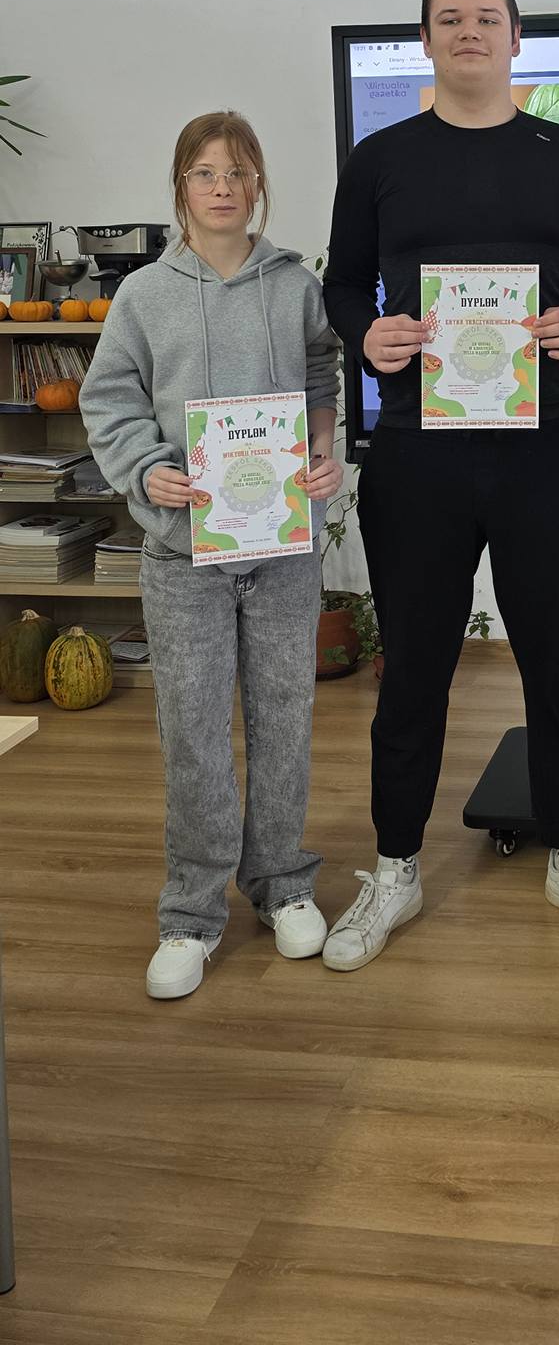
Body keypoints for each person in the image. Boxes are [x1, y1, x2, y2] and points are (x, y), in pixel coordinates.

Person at [321, 0, 559, 966]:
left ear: (515, 39)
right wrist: (367, 334)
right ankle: (396, 868)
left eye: (486, 17)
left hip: (546, 444)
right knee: (413, 670)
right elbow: (342, 287)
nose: (469, 31)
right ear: (425, 41)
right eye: (449, 18)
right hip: (417, 450)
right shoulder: (380, 159)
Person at [79, 112, 342, 998]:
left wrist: (323, 448)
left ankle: (283, 884)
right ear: (181, 186)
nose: (222, 187)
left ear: (258, 183)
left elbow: (320, 375)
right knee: (191, 733)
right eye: (204, 172)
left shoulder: (294, 284)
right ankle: (190, 915)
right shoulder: (143, 295)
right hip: (181, 554)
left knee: (284, 722)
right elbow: (109, 400)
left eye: (237, 171)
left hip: (282, 549)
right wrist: (144, 468)